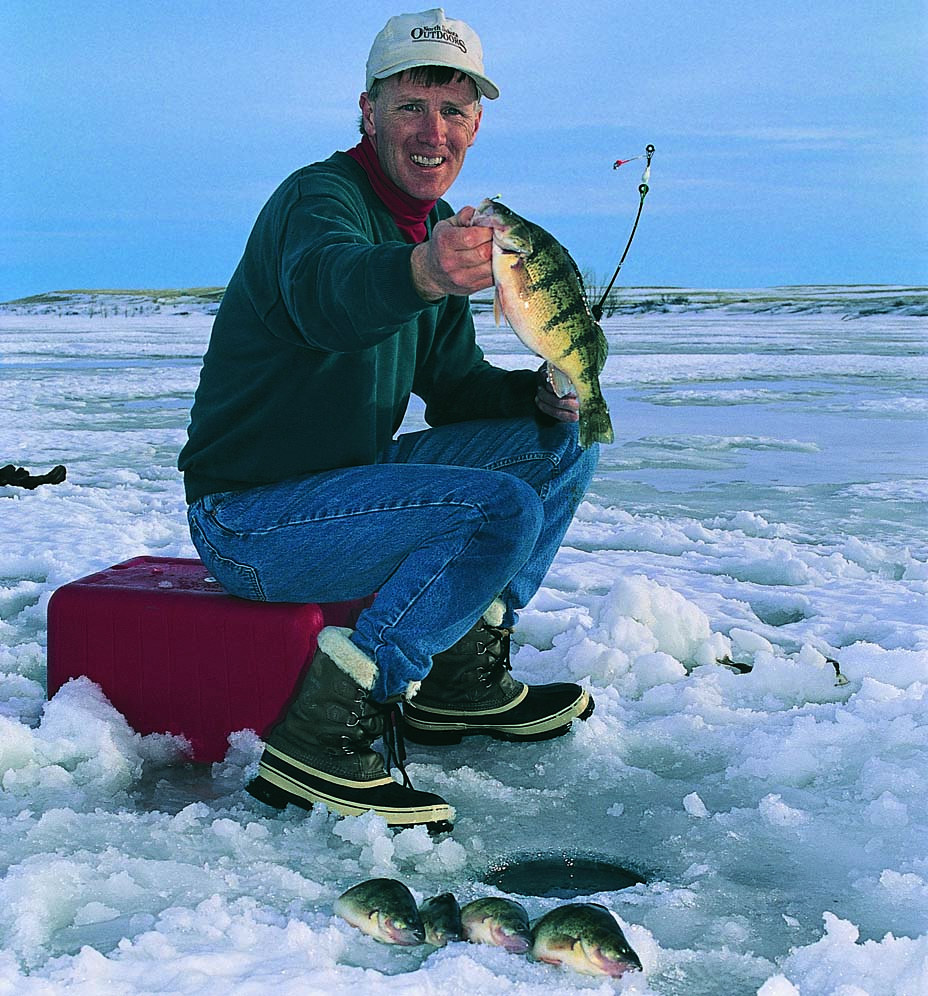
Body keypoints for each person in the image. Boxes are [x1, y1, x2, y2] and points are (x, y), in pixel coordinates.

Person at [178, 8, 599, 832]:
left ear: (476, 124)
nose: (432, 130)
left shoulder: (439, 228)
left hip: (347, 487)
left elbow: (454, 386)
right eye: (411, 106)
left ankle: (460, 681)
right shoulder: (319, 199)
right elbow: (326, 294)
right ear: (368, 113)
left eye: (454, 110)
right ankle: (327, 727)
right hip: (251, 518)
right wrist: (420, 272)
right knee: (497, 509)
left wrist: (535, 396)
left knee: (560, 442)